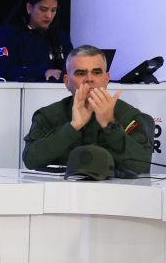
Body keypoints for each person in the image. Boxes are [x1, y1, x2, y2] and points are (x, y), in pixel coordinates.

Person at [22, 45, 152, 173]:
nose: (89, 79)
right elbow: (31, 160)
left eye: (96, 72)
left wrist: (110, 125)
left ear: (106, 79)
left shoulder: (128, 115)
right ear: (67, 81)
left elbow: (142, 166)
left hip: (113, 186)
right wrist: (73, 127)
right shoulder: (48, 116)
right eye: (80, 73)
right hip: (63, 186)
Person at [0, 0, 73, 82]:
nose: (49, 15)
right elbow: (4, 70)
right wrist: (43, 72)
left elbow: (72, 67)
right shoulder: (8, 35)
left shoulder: (60, 36)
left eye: (53, 10)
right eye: (43, 9)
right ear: (29, 8)